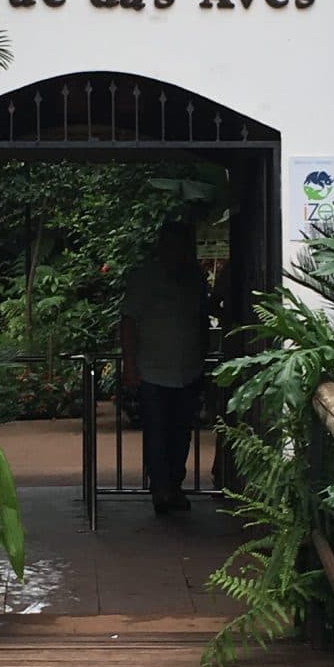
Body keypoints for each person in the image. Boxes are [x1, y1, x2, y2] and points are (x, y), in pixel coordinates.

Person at [120, 216, 209, 516]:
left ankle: (174, 485)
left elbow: (201, 320)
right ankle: (160, 488)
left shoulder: (194, 279)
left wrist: (204, 358)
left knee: (181, 433)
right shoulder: (144, 278)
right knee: (157, 432)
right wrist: (130, 366)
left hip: (188, 371)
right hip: (153, 372)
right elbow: (128, 322)